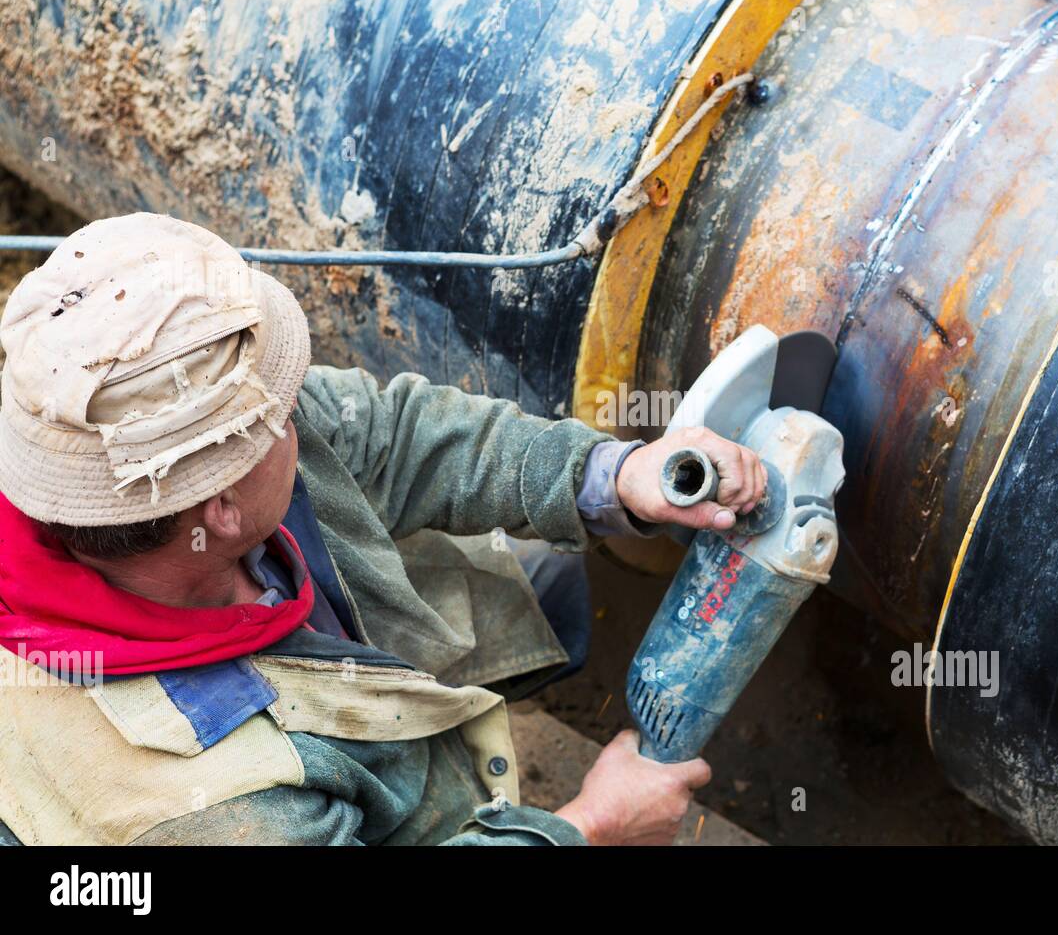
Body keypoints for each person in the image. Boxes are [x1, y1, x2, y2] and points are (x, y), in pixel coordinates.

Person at [0, 213, 768, 846]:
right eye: (283, 409)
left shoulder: (100, 452)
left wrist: (612, 476)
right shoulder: (219, 805)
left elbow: (392, 434)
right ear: (223, 510)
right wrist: (591, 824)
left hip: (303, 677)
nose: (298, 407)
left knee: (549, 581)